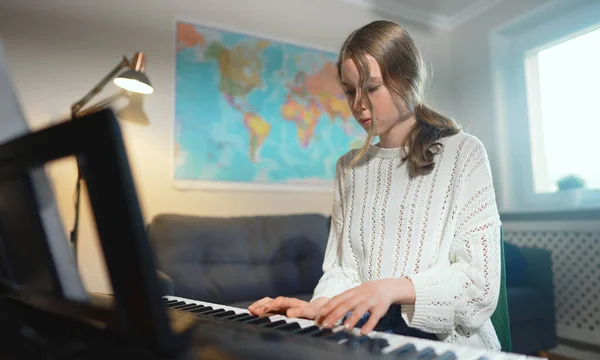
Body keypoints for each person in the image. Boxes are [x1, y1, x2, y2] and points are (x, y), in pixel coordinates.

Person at [248, 20, 503, 351]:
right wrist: (319, 307)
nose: (358, 104)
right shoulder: (349, 168)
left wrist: (392, 288)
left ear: (407, 79)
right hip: (369, 338)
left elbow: (479, 287)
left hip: (449, 345)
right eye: (350, 91)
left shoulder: (463, 153)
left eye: (371, 88)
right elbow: (342, 270)